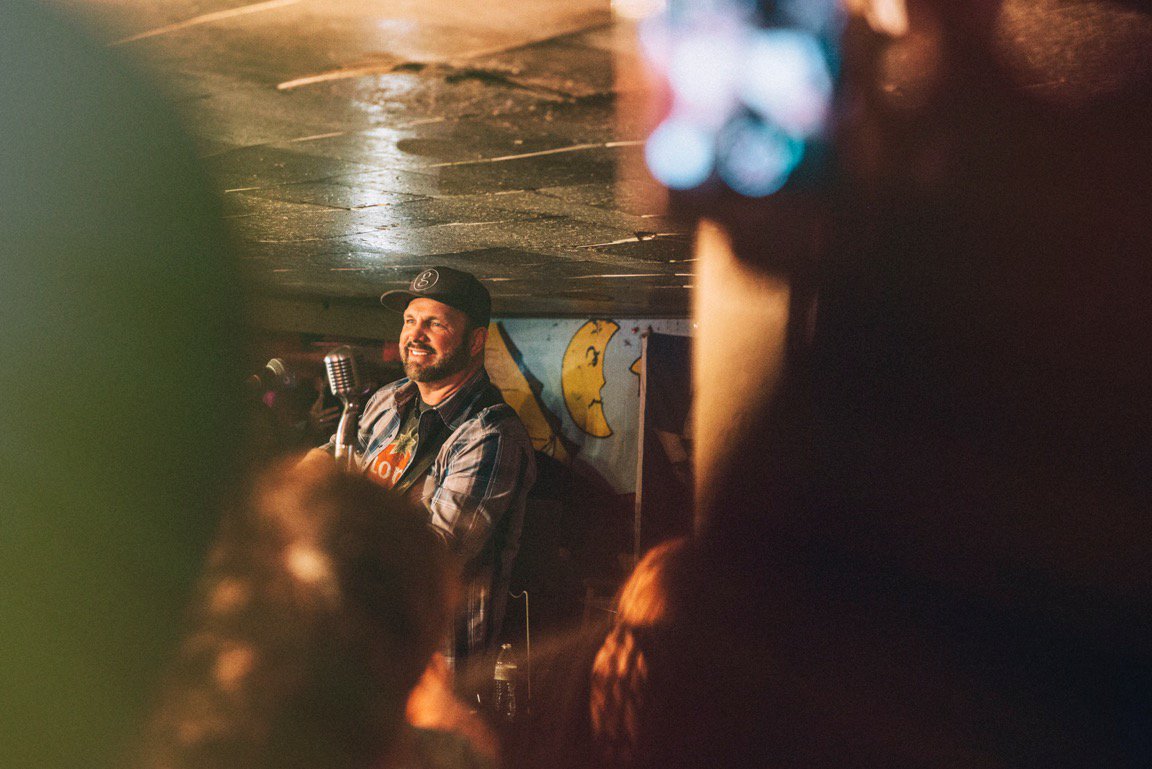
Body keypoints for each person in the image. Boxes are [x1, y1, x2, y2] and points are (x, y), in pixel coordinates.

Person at [327, 266, 536, 669]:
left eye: (435, 324)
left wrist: (338, 533)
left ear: (475, 340)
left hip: (430, 660)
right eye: (410, 320)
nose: (415, 335)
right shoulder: (389, 399)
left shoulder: (490, 435)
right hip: (365, 637)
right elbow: (344, 454)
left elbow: (433, 557)